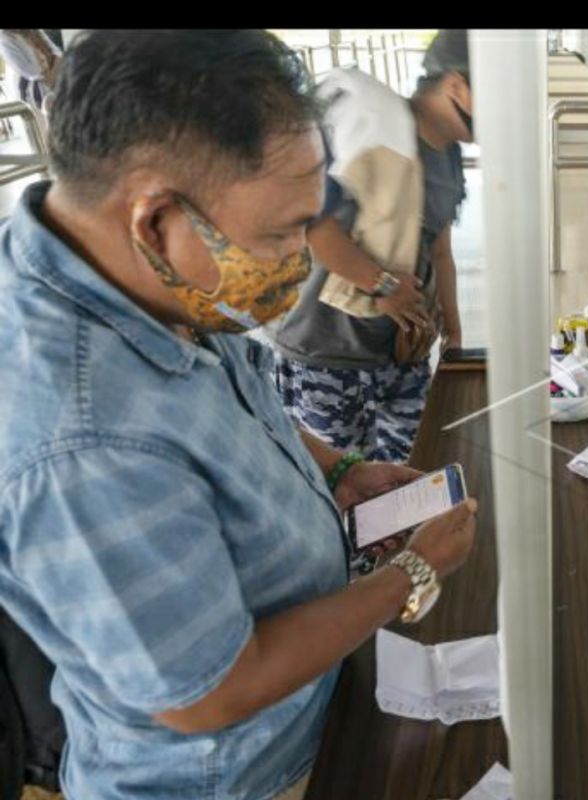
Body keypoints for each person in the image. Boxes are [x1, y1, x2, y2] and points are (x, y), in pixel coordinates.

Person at [0, 30, 477, 800]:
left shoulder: (141, 281)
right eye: (283, 233)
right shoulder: (82, 442)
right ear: (154, 220)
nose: (299, 261)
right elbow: (208, 692)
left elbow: (241, 403)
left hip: (313, 701)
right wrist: (412, 573)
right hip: (244, 775)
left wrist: (341, 470)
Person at [270, 29, 472, 463]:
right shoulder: (371, 128)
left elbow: (440, 251)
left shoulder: (449, 156)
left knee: (410, 469)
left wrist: (453, 330)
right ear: (456, 86)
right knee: (342, 484)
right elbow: (313, 224)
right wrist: (381, 285)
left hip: (402, 349)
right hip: (327, 351)